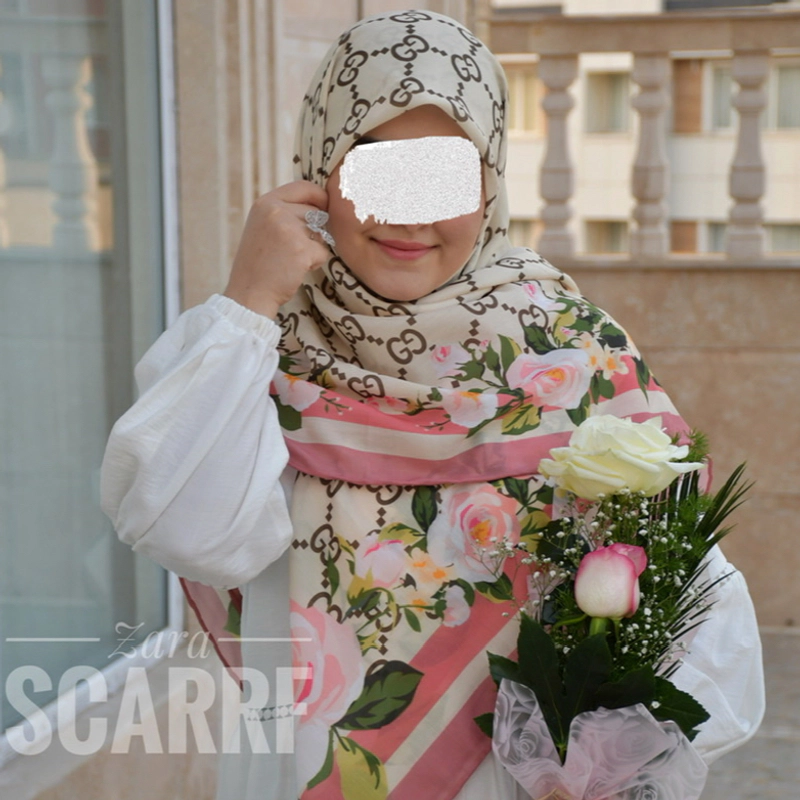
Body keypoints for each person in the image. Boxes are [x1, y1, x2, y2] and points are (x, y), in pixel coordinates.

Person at [100, 10, 764, 800]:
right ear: (319, 168)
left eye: (443, 176)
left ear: (490, 182)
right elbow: (184, 530)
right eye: (379, 171)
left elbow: (698, 603)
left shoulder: (570, 352)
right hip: (305, 771)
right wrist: (250, 298)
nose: (409, 214)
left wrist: (603, 762)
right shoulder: (249, 352)